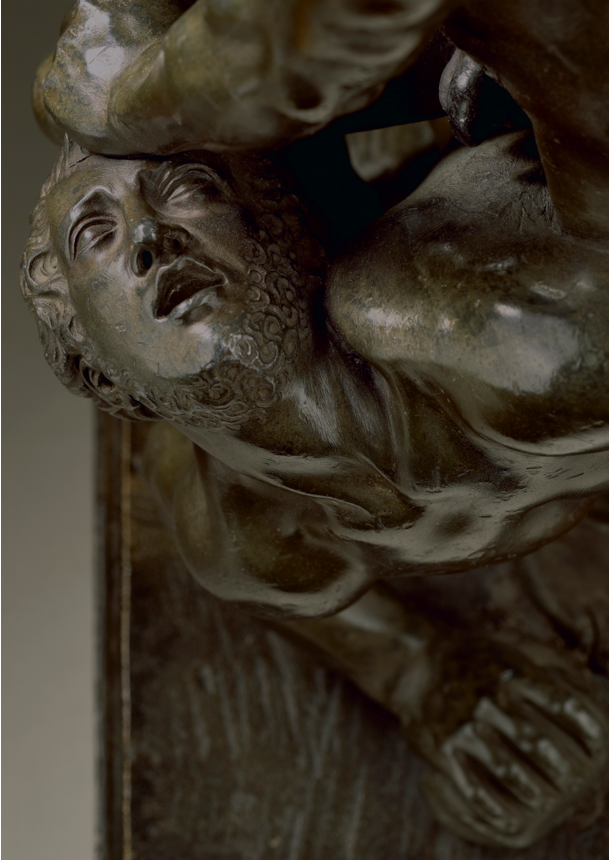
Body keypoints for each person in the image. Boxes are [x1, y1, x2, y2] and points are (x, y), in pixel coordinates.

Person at [22, 0, 608, 848]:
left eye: (189, 190)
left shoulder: (477, 327)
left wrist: (154, 93)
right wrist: (428, 674)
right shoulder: (241, 535)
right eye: (95, 235)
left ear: (287, 230)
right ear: (96, 362)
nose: (149, 238)